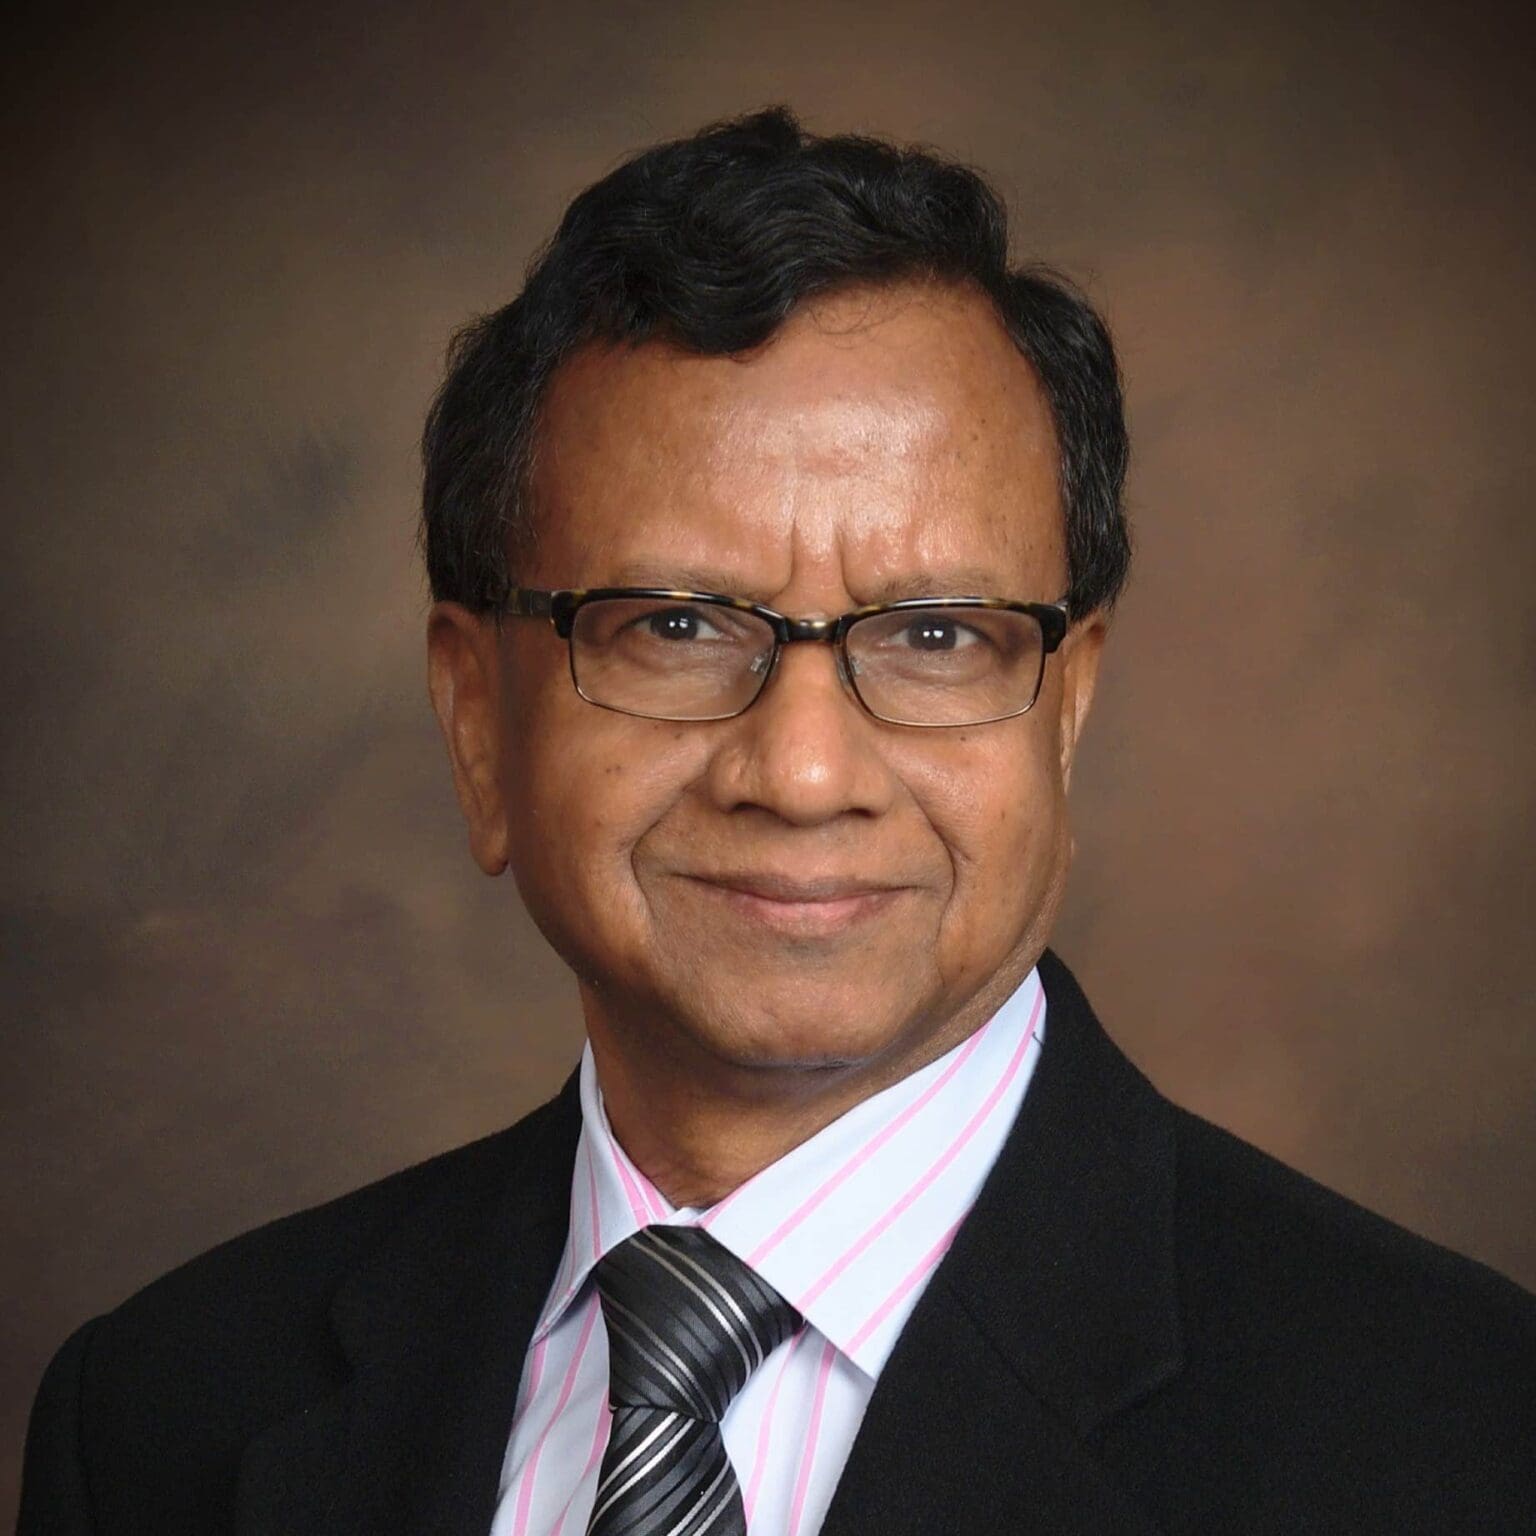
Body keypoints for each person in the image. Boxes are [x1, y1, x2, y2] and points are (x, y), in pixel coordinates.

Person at [17, 106, 1535, 1536]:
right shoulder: (164, 1418)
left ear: (1064, 706)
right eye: (675, 626)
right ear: (479, 720)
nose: (803, 773)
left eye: (937, 635)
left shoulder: (1460, 1435)